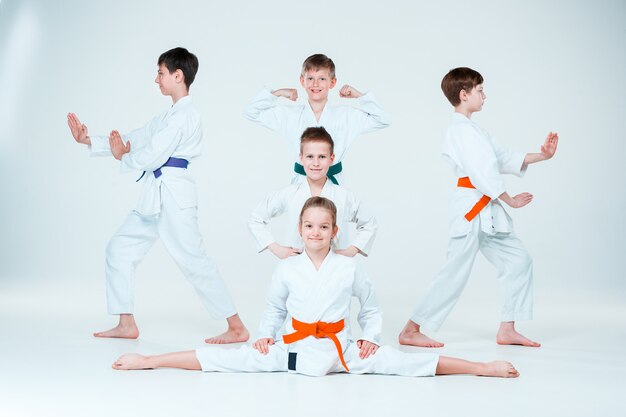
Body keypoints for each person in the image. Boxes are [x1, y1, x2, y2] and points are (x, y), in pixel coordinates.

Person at [113, 197, 519, 379]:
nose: (316, 233)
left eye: (324, 227)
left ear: (334, 231)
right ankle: (150, 360)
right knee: (230, 359)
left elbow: (372, 309)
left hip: (342, 352)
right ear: (300, 230)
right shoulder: (288, 268)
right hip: (291, 350)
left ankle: (482, 367)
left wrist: (370, 341)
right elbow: (273, 310)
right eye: (309, 226)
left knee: (402, 363)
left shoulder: (349, 266)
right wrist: (265, 339)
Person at [67, 47, 248, 344]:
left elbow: (151, 154)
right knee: (119, 248)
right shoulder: (168, 116)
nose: (156, 79)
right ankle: (126, 322)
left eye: (161, 73)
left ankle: (237, 326)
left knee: (193, 260)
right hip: (155, 195)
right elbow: (136, 137)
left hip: (174, 196)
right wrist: (90, 140)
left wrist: (122, 157)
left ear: (178, 76)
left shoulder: (186, 115)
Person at [399, 67, 559, 348]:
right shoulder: (460, 131)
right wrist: (508, 199)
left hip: (488, 211)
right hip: (471, 209)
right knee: (455, 271)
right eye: (480, 90)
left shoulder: (475, 130)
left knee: (518, 260)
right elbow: (480, 171)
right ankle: (411, 329)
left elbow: (503, 157)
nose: (485, 95)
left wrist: (542, 156)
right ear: (464, 94)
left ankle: (507, 329)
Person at [244, 53, 390, 185]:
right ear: (302, 81)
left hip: (333, 185)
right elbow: (251, 112)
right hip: (301, 184)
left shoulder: (346, 116)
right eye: (310, 78)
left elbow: (382, 119)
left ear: (332, 82)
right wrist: (279, 93)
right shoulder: (290, 116)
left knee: (332, 215)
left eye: (322, 78)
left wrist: (359, 96)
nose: (315, 84)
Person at [248, 127, 377, 259]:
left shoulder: (344, 196)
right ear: (301, 158)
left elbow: (369, 223)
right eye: (310, 156)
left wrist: (352, 250)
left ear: (331, 159)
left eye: (322, 157)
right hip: (297, 267)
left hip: (334, 267)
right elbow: (256, 218)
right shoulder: (289, 193)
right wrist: (276, 248)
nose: (316, 163)